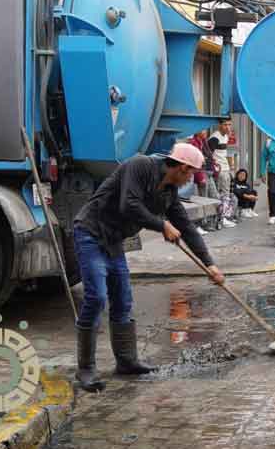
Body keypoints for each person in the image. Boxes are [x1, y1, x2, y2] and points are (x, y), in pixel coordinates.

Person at [72, 143, 225, 392]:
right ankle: (86, 369)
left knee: (122, 300)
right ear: (183, 168)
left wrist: (211, 265)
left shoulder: (169, 193)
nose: (191, 179)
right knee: (97, 297)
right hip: (90, 232)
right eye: (191, 174)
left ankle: (126, 361)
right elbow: (128, 204)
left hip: (114, 241)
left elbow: (186, 228)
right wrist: (161, 225)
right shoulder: (140, 165)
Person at [208, 120, 236, 228]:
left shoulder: (225, 137)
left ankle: (224, 217)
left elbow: (223, 154)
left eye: (229, 124)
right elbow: (209, 154)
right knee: (222, 195)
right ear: (219, 125)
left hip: (226, 169)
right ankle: (222, 219)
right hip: (219, 170)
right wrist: (215, 168)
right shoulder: (215, 137)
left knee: (226, 194)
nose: (228, 127)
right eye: (225, 125)